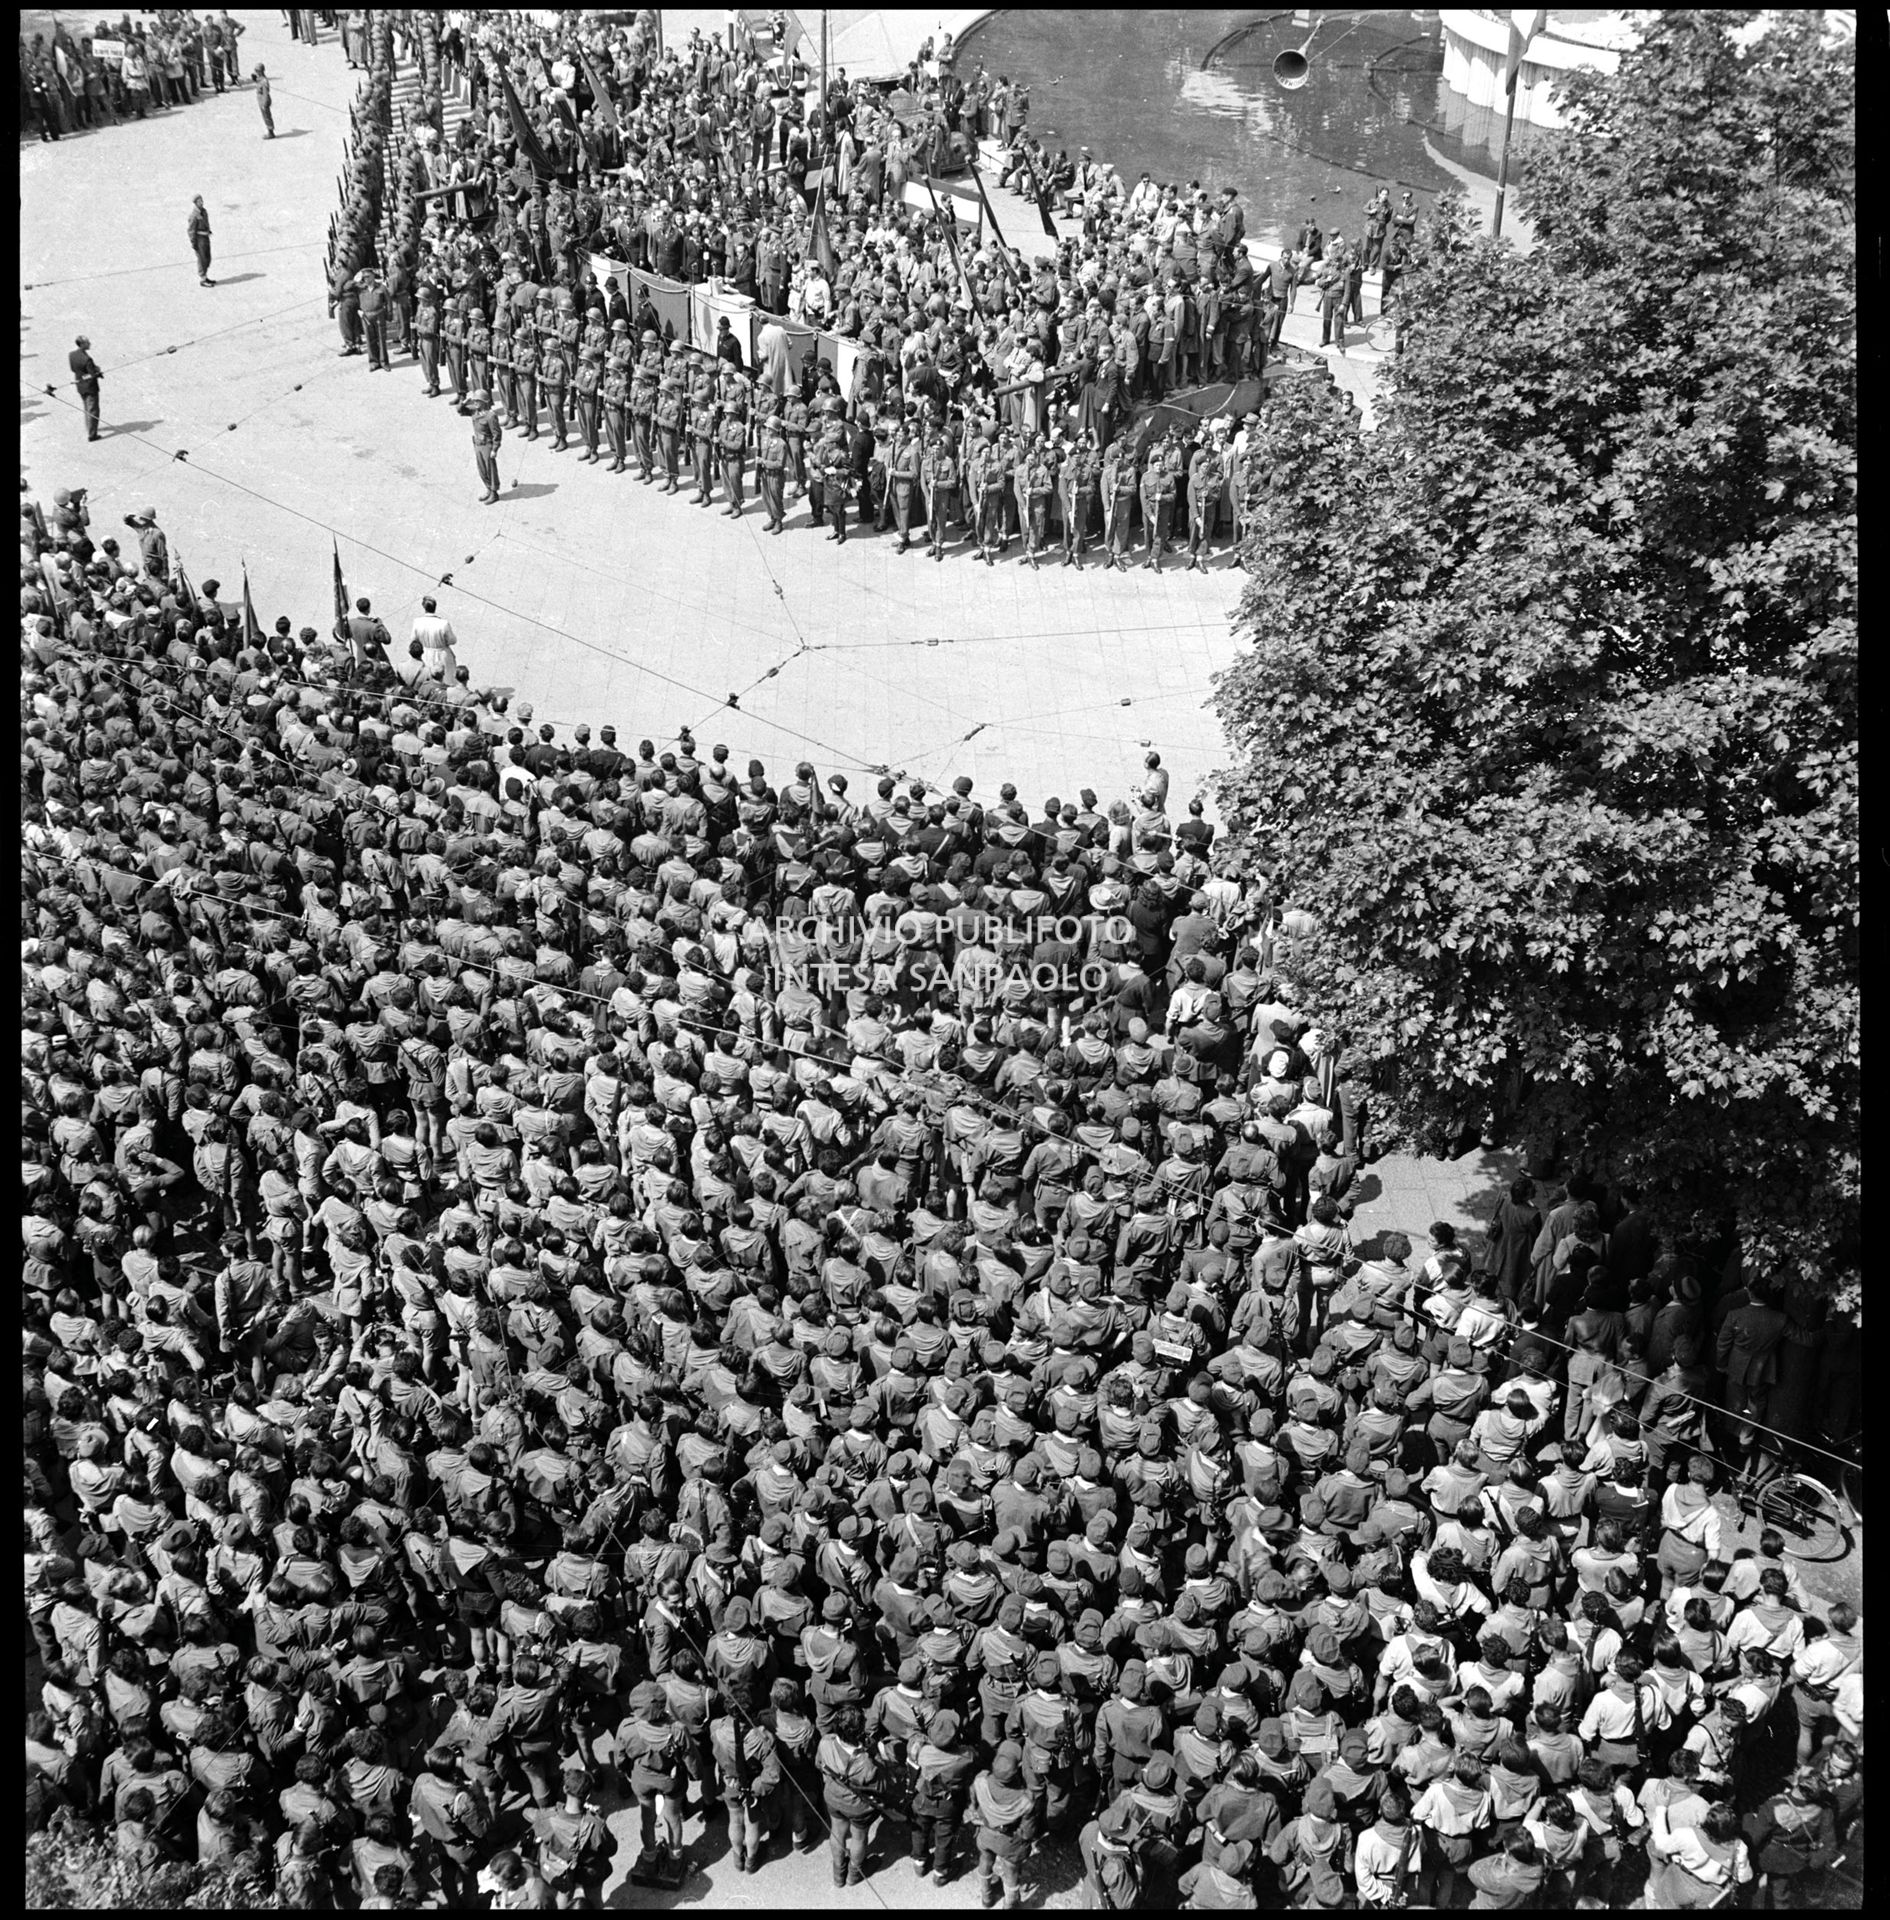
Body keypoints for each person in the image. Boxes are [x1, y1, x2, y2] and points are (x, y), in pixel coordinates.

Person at [472, 390, 504, 504]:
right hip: (478, 444)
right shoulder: (475, 412)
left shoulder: (490, 416)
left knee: (490, 470)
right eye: (474, 400)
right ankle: (488, 489)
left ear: (484, 402)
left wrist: (495, 449)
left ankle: (494, 493)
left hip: (487, 445)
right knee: (482, 470)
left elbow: (497, 434)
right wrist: (465, 401)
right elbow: (460, 410)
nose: (475, 402)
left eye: (477, 401)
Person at [69, 336, 103, 442]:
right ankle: (92, 435)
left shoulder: (72, 355)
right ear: (82, 344)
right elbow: (92, 375)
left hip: (80, 386)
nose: (90, 343)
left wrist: (91, 370)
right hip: (90, 387)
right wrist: (97, 372)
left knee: (86, 408)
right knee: (93, 410)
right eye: (88, 342)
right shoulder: (87, 359)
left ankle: (89, 427)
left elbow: (73, 369)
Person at [187, 195, 214, 288]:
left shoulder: (204, 211)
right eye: (199, 201)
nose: (201, 202)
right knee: (201, 259)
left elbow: (206, 223)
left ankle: (205, 276)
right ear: (195, 203)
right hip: (199, 239)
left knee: (207, 258)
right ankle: (203, 279)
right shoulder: (194, 215)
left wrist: (208, 230)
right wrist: (193, 242)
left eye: (202, 200)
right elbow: (191, 230)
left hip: (206, 238)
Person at [255, 63, 274, 137]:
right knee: (264, 116)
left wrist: (265, 103)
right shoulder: (260, 79)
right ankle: (269, 130)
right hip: (260, 99)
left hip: (264, 99)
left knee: (267, 116)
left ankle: (270, 132)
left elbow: (265, 93)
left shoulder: (264, 81)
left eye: (258, 70)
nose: (257, 72)